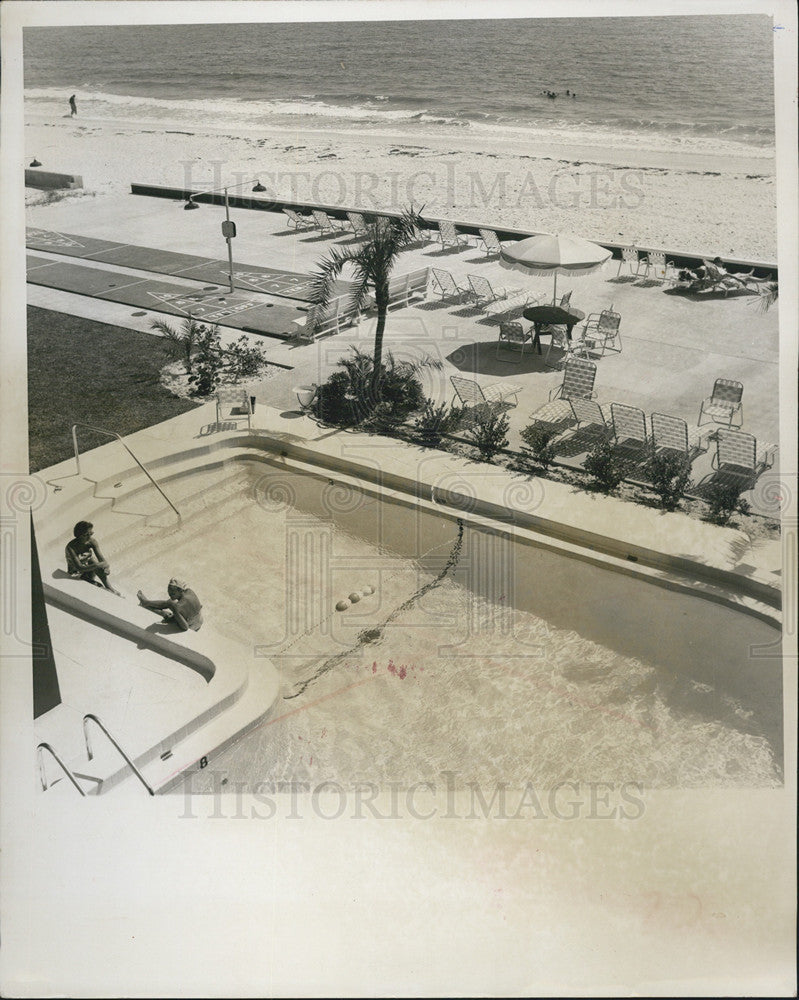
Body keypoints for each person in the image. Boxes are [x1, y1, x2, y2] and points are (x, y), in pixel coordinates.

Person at [65, 521, 121, 594]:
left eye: (91, 533)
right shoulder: (71, 547)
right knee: (99, 586)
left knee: (92, 560)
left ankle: (109, 587)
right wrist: (97, 565)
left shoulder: (92, 542)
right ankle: (106, 589)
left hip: (88, 570)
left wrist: (106, 568)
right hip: (76, 573)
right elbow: (79, 567)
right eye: (86, 534)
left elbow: (103, 560)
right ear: (80, 536)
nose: (89, 536)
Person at [137, 578, 203, 632]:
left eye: (173, 594)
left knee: (166, 612)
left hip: (192, 625)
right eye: (169, 592)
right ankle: (147, 602)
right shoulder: (189, 591)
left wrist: (174, 614)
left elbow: (185, 627)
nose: (170, 595)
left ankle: (146, 603)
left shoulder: (179, 605)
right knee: (170, 603)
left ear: (180, 591)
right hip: (200, 619)